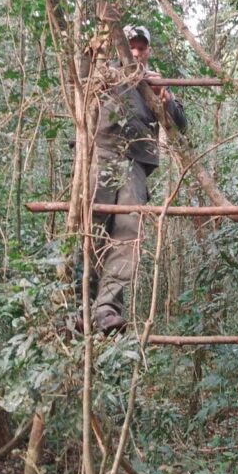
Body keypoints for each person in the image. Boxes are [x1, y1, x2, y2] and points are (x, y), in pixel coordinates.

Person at [77, 23, 187, 333]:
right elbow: (78, 81)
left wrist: (162, 97)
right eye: (131, 46)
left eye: (141, 47)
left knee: (127, 234)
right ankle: (79, 304)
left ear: (148, 50)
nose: (136, 52)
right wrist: (92, 48)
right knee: (91, 228)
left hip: (135, 163)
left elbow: (180, 122)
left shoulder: (152, 80)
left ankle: (107, 307)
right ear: (120, 47)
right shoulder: (104, 71)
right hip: (100, 156)